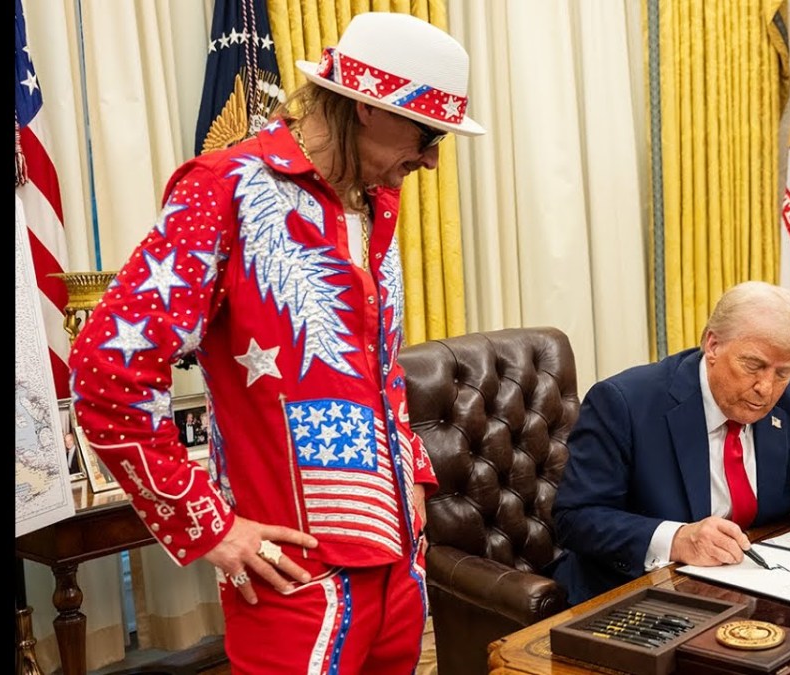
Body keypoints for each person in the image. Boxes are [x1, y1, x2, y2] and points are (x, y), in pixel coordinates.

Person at [68, 12, 485, 674]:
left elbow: (375, 365)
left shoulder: (376, 201)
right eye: (427, 133)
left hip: (396, 560)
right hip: (295, 575)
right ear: (366, 107)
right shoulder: (225, 187)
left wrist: (411, 472)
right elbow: (105, 369)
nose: (433, 158)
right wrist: (207, 524)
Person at [548, 281, 790, 605]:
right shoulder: (625, 403)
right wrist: (677, 539)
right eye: (753, 366)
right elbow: (577, 518)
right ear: (713, 345)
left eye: (783, 373)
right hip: (634, 593)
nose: (766, 389)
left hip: (756, 590)